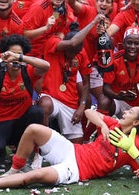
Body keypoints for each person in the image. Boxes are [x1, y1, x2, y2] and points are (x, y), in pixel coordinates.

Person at [0, 107, 139, 191]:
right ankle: (13, 170)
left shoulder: (136, 146)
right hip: (71, 150)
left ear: (135, 122)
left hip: (76, 171)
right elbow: (89, 112)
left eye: (130, 112)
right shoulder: (113, 125)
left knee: (36, 177)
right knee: (33, 130)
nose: (124, 112)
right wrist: (102, 125)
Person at [0, 34, 48, 165]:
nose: (15, 59)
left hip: (21, 123)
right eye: (12, 54)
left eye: (19, 54)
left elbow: (46, 66)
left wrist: (19, 57)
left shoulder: (27, 71)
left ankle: (32, 151)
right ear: (5, 56)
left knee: (37, 112)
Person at [38, 14, 103, 142]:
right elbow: (73, 42)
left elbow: (85, 83)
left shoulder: (80, 52)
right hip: (51, 98)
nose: (74, 54)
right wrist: (93, 22)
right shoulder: (53, 43)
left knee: (77, 145)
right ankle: (41, 150)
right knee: (44, 104)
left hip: (70, 103)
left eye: (77, 51)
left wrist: (81, 107)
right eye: (71, 51)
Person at [100, 26, 139, 116]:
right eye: (129, 43)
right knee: (104, 101)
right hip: (118, 101)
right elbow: (105, 88)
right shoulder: (113, 60)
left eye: (136, 43)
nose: (132, 47)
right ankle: (100, 128)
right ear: (123, 43)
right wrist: (118, 96)